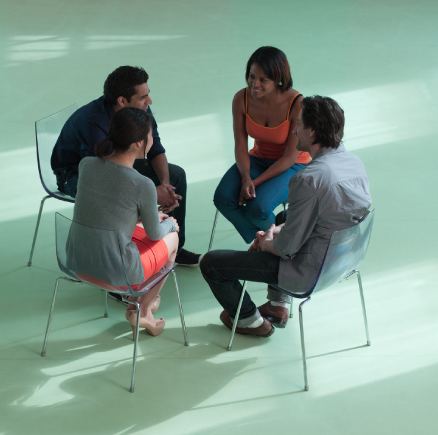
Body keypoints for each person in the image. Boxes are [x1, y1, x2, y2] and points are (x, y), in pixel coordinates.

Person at [200, 96, 372, 337]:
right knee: (283, 218)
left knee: (211, 264)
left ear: (312, 132)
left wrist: (265, 241)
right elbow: (327, 219)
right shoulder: (355, 162)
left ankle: (250, 321)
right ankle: (278, 305)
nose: (294, 129)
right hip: (345, 259)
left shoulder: (307, 179)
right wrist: (276, 230)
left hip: (310, 271)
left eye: (299, 125)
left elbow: (286, 250)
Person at [52, 65, 201, 266]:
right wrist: (151, 194)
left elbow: (155, 149)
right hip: (78, 173)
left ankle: (174, 247)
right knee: (117, 198)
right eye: (143, 97)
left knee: (176, 175)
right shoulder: (92, 122)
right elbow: (103, 178)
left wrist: (165, 186)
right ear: (122, 101)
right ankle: (114, 263)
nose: (149, 101)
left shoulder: (140, 111)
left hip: (117, 163)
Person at [69, 107, 180, 336]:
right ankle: (143, 310)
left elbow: (108, 211)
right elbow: (156, 234)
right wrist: (170, 224)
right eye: (150, 135)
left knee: (139, 228)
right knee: (173, 239)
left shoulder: (86, 165)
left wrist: (145, 217)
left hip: (77, 262)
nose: (152, 139)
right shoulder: (142, 184)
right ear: (139, 143)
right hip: (117, 274)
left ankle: (138, 302)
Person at [212, 46, 311, 245]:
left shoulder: (297, 103)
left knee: (259, 208)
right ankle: (263, 242)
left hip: (293, 165)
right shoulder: (241, 98)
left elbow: (290, 156)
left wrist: (253, 183)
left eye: (263, 80)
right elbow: (240, 145)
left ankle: (279, 246)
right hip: (257, 158)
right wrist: (246, 177)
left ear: (278, 79)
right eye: (251, 76)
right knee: (223, 198)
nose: (254, 84)